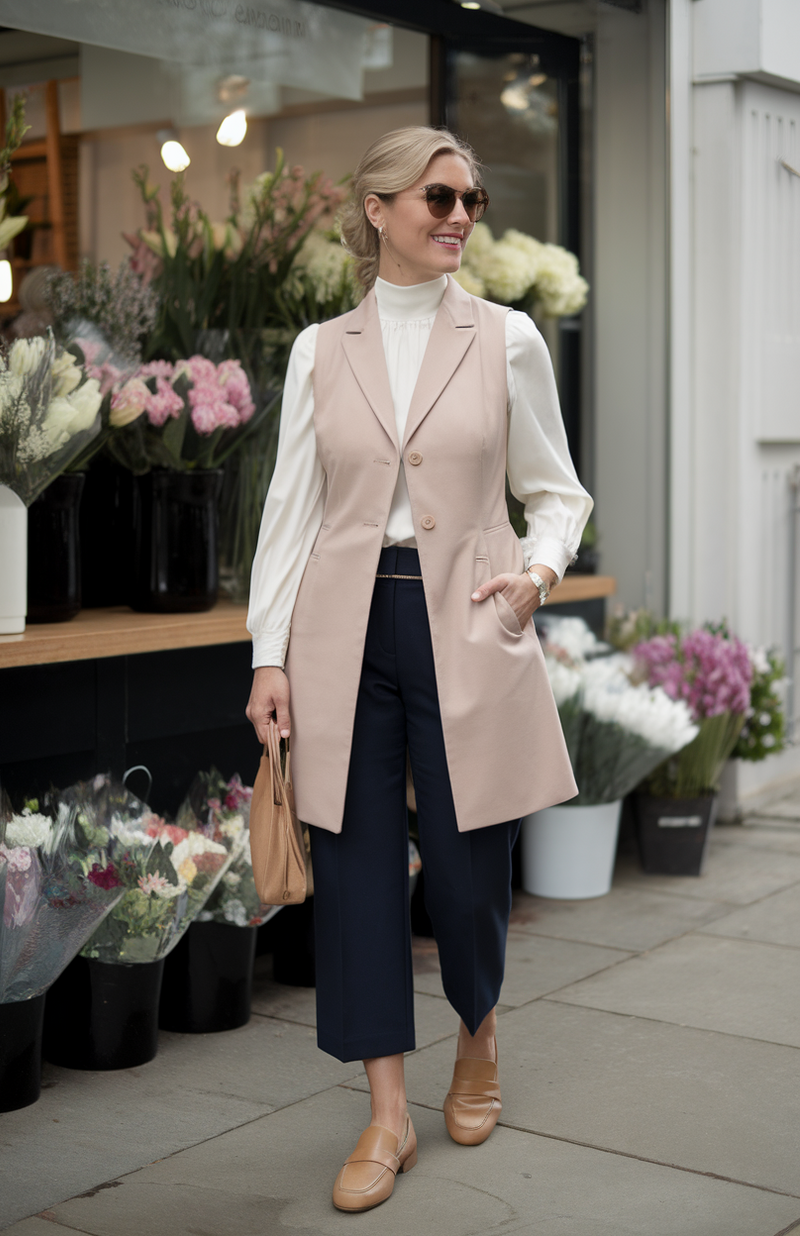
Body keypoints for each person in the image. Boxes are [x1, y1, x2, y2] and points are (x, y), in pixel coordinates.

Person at [246, 125, 592, 1213]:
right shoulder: (319, 348)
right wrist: (268, 655)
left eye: (470, 201)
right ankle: (386, 1113)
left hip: (469, 620)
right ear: (379, 208)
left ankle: (477, 1035)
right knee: (351, 873)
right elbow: (289, 514)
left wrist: (536, 573)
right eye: (437, 196)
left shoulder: (507, 340)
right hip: (341, 631)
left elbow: (558, 493)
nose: (456, 215)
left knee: (464, 866)